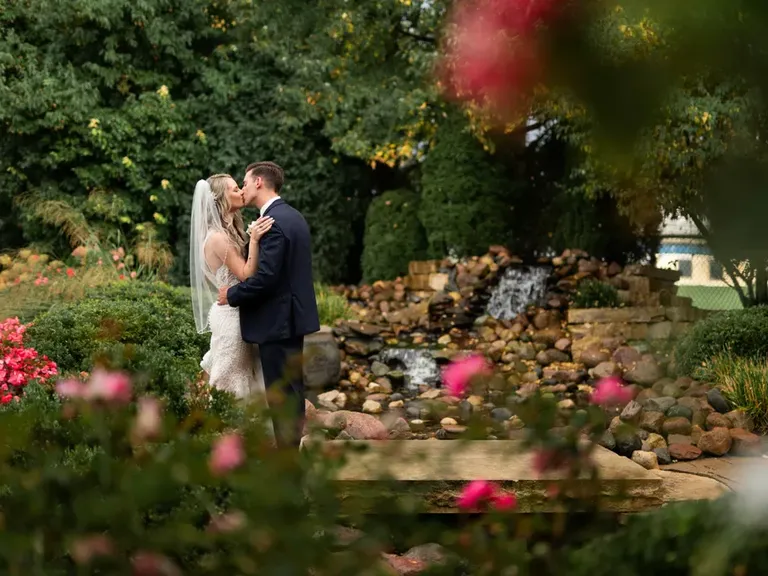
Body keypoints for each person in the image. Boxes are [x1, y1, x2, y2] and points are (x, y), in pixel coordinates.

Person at [217, 161, 320, 449]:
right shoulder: (293, 216)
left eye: (246, 183)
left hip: (277, 321)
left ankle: (287, 462)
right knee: (292, 389)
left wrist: (232, 295)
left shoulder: (273, 223)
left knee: (281, 393)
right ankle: (293, 454)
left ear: (259, 182)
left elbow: (266, 280)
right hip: (290, 318)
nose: (243, 188)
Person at [189, 173, 274, 402]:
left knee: (240, 374)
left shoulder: (230, 230)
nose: (241, 192)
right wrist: (254, 240)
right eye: (235, 189)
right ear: (221, 199)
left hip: (237, 310)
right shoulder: (217, 238)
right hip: (232, 318)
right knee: (229, 382)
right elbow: (246, 275)